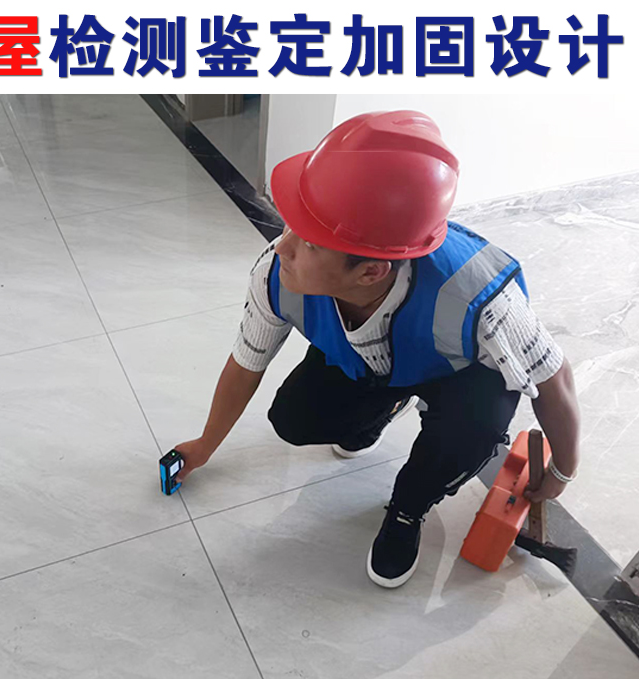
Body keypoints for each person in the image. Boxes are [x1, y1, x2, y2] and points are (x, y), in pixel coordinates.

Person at [174, 111, 581, 589]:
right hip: (372, 364)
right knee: (294, 419)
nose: (282, 248)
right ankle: (386, 406)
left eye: (309, 243)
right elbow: (246, 364)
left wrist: (562, 471)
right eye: (291, 226)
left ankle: (408, 509)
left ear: (370, 272)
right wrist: (204, 445)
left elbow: (556, 380)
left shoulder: (482, 300)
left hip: (462, 377)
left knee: (466, 432)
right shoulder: (276, 273)